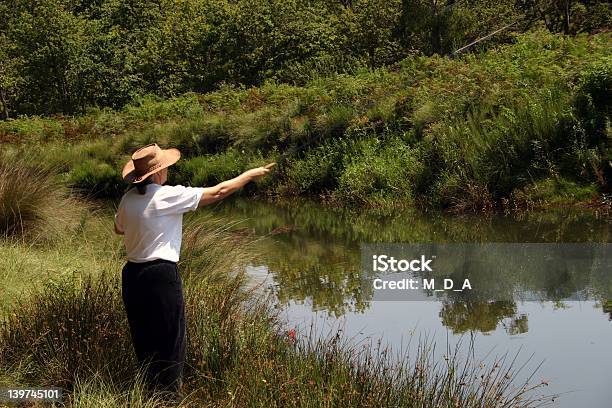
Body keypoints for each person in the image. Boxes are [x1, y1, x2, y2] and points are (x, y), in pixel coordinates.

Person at [114, 143, 273, 401]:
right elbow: (219, 192)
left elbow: (119, 229)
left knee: (143, 339)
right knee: (169, 341)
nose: (167, 171)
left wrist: (144, 223)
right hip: (160, 276)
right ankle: (168, 401)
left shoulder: (127, 199)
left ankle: (149, 398)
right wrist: (248, 176)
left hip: (132, 276)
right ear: (157, 174)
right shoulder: (168, 196)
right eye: (165, 168)